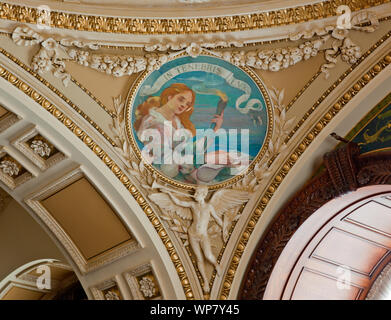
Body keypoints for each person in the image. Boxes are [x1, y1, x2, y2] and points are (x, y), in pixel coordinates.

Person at [134, 83, 248, 183]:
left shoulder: (177, 122)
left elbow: (186, 149)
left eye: (187, 104)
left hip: (186, 167)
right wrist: (204, 159)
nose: (184, 105)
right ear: (170, 97)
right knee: (225, 161)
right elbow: (166, 158)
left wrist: (215, 129)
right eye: (181, 99)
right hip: (169, 173)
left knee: (236, 159)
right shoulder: (153, 122)